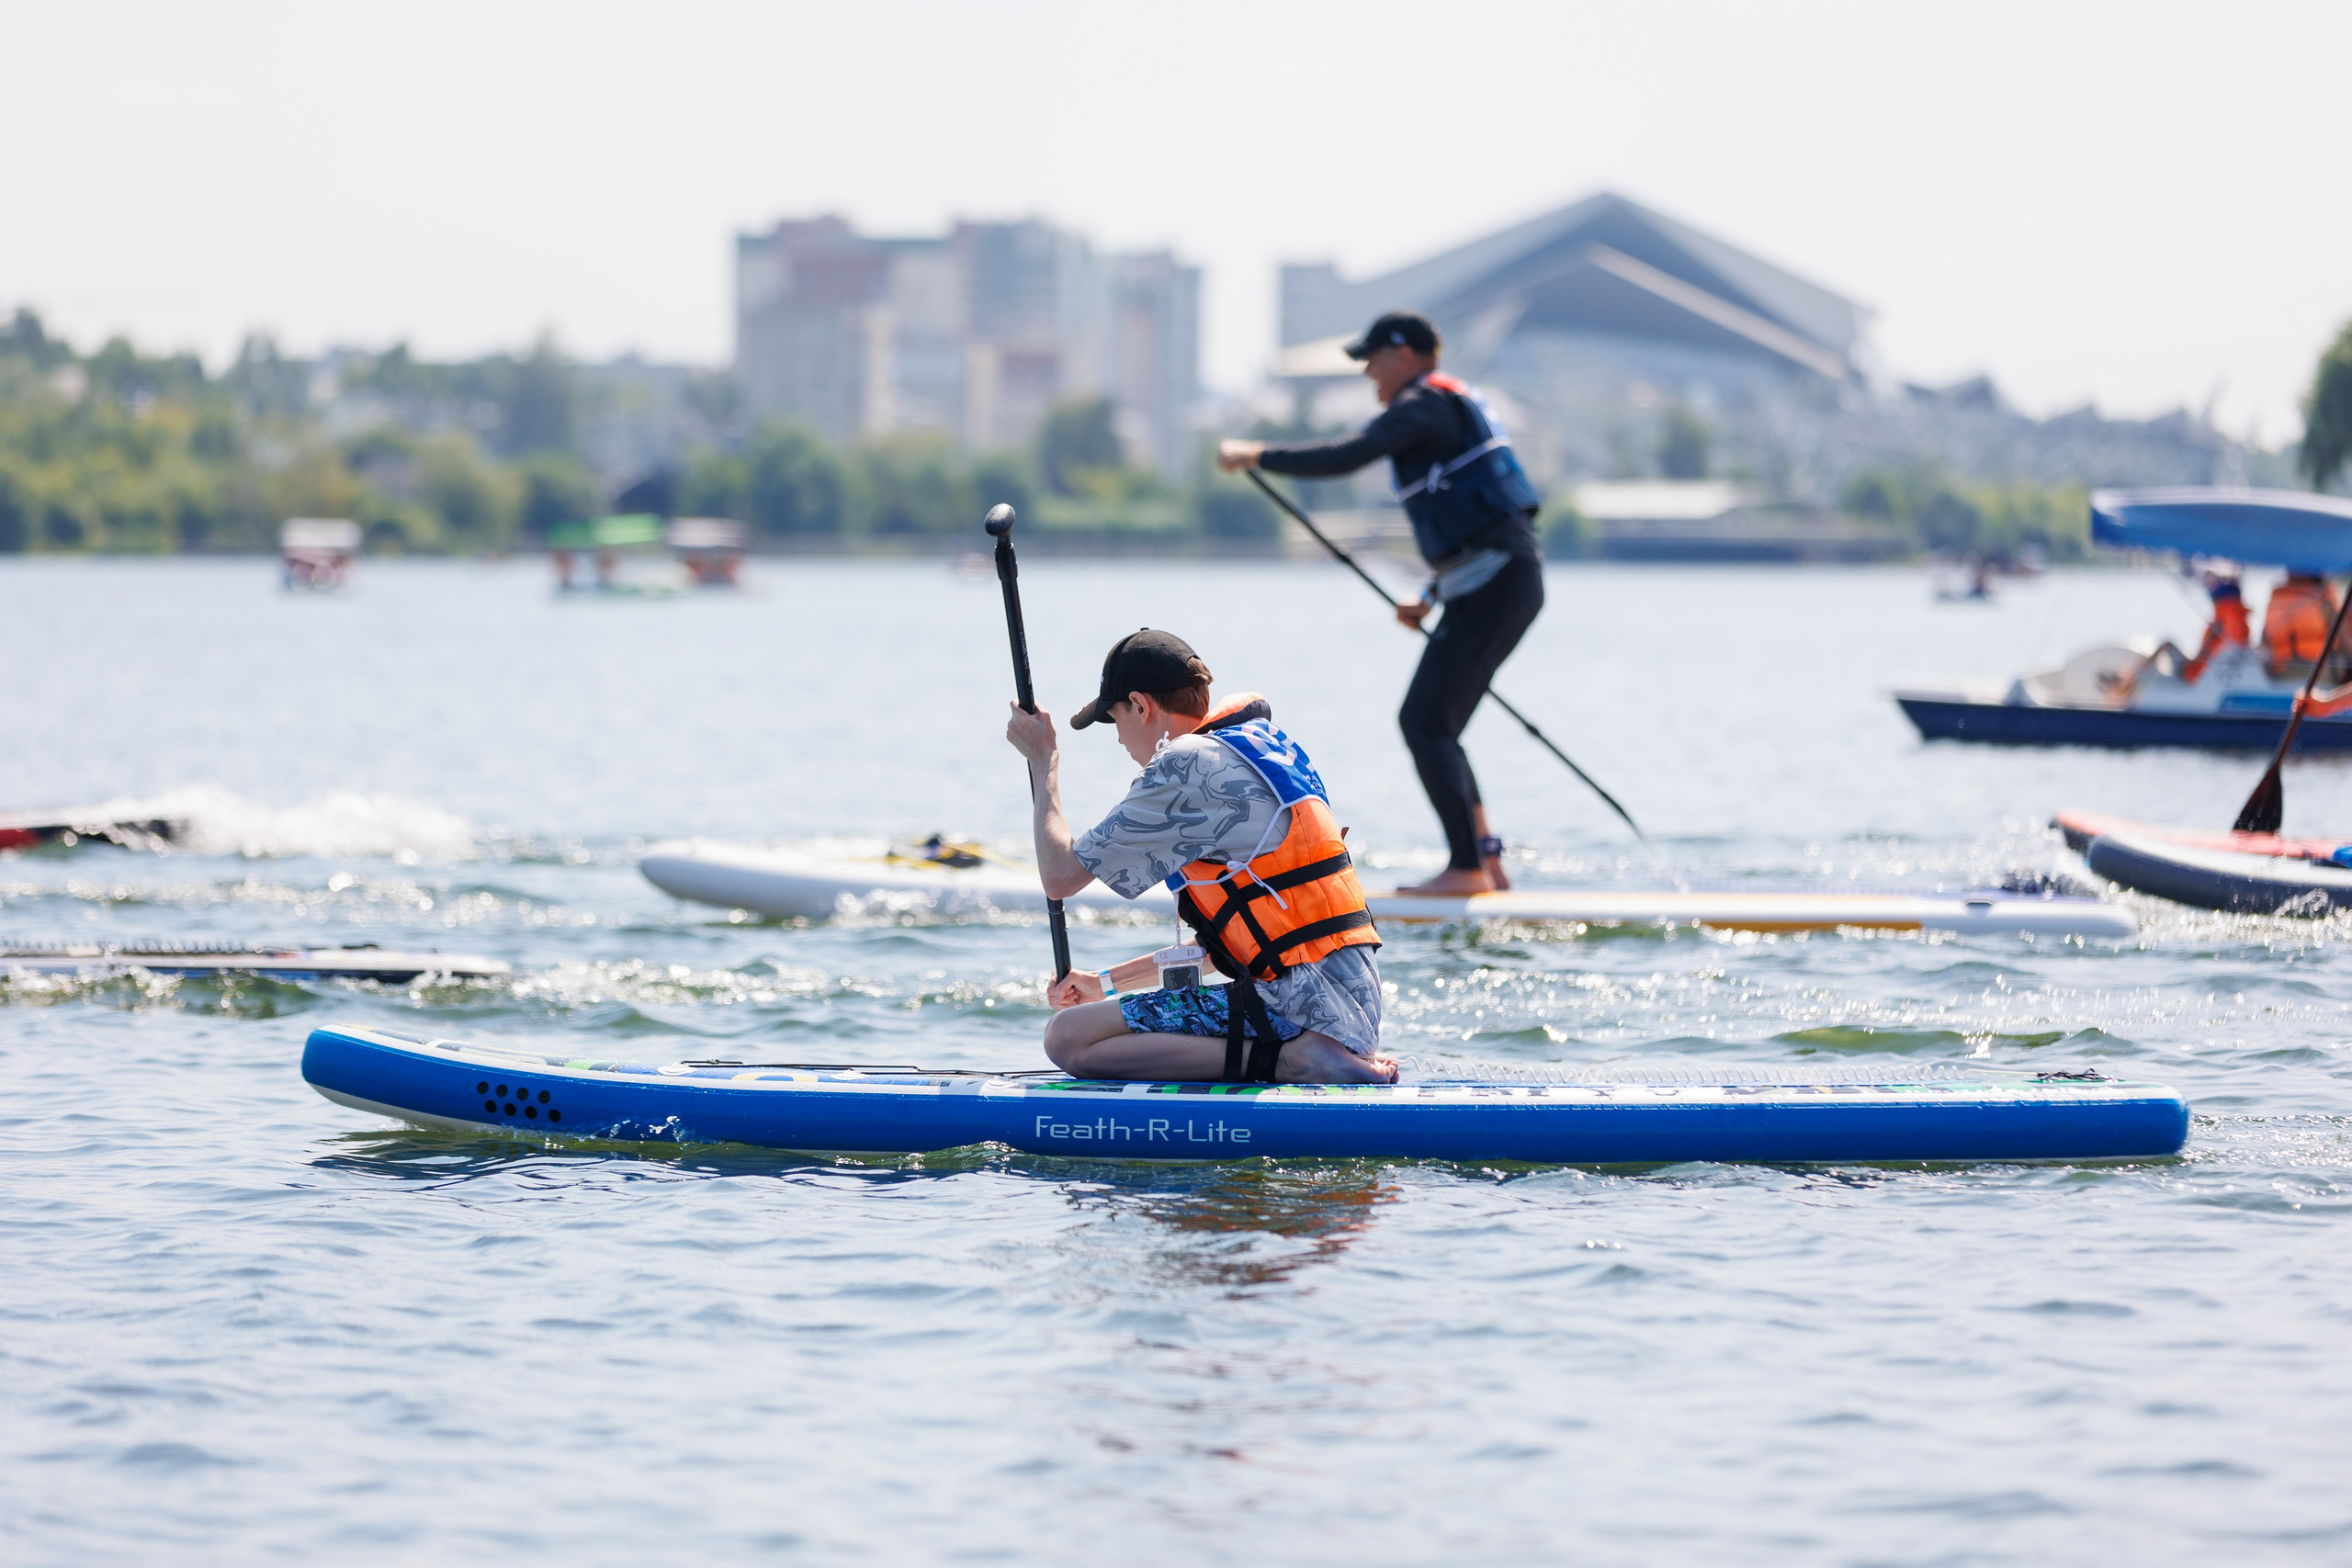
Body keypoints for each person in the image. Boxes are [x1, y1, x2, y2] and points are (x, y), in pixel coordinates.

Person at [1217, 310, 1543, 897]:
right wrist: (1428, 596)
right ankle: (1485, 863)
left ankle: (1468, 869)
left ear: (1408, 356)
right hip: (1496, 582)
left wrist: (1258, 454)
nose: (1367, 370)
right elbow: (1481, 533)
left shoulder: (1424, 406)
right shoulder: (1441, 410)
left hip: (1499, 584)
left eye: (1373, 357)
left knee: (1424, 722)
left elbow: (1347, 456)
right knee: (1438, 725)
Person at [1002, 627, 1396, 1085]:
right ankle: (1311, 1054)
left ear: (1141, 706)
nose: (1119, 742)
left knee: (1069, 1038)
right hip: (1350, 1009)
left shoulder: (1185, 765)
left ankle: (1298, 1061)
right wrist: (1102, 983)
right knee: (1086, 1025)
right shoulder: (1256, 751)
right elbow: (1232, 944)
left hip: (1299, 1009)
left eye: (1115, 720)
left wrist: (1043, 760)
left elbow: (1060, 876)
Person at [2260, 570, 2344, 678]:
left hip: (2281, 672)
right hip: (2319, 672)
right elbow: (2345, 642)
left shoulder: (2276, 598)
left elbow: (2264, 643)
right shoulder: (2325, 601)